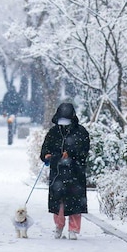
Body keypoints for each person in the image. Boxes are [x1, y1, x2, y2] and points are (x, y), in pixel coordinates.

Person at [40, 102, 90, 240]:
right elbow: (45, 149)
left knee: (75, 203)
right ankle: (59, 226)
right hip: (57, 173)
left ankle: (74, 229)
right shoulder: (53, 132)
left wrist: (71, 154)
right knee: (59, 203)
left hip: (75, 172)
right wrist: (47, 156)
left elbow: (84, 150)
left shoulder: (81, 132)